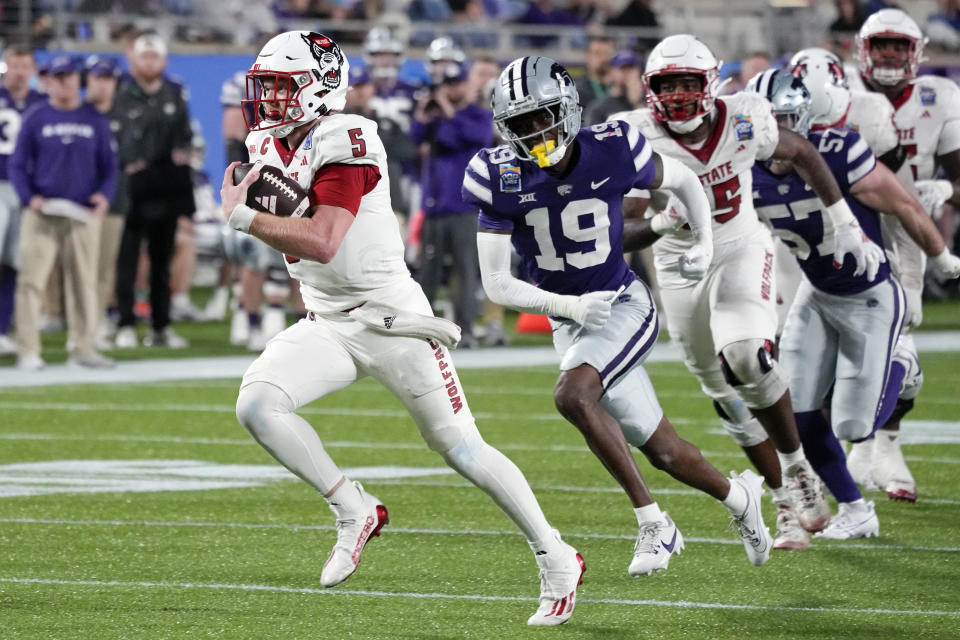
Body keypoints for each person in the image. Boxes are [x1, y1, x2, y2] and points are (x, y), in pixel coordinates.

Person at [220, 31, 584, 627]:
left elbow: (324, 237)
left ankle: (555, 554)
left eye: (282, 88)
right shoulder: (266, 140)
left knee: (460, 447)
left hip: (390, 319)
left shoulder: (348, 136)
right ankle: (352, 508)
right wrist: (262, 214)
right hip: (329, 321)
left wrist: (244, 216)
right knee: (258, 405)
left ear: (318, 89)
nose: (269, 101)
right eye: (268, 88)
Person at [466, 55, 772, 575]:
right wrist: (568, 308)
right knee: (666, 453)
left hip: (623, 303)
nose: (536, 131)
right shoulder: (494, 175)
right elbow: (497, 283)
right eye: (522, 123)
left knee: (573, 394)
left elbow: (682, 180)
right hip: (573, 317)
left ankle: (654, 523)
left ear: (567, 110)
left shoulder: (609, 149)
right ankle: (740, 498)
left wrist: (701, 240)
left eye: (544, 117)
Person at [612, 34, 885, 546]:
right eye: (666, 85)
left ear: (710, 83)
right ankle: (783, 501)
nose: (676, 95)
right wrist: (661, 226)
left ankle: (796, 467)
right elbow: (620, 230)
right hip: (677, 265)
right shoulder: (636, 135)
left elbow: (801, 150)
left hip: (739, 245)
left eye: (687, 83)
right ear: (650, 89)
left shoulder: (745, 117)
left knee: (747, 356)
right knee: (723, 394)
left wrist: (844, 222)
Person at [747, 69, 960, 539]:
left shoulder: (838, 152)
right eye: (766, 121)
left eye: (783, 120)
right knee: (797, 415)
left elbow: (903, 204)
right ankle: (857, 510)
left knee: (853, 424)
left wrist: (941, 257)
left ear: (801, 120)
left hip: (869, 295)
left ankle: (903, 363)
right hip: (815, 295)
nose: (774, 134)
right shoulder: (745, 168)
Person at [845, 8, 960, 501]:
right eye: (881, 46)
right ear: (861, 51)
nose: (889, 55)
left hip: (907, 229)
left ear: (916, 54)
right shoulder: (841, 90)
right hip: (844, 227)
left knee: (900, 339)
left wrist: (942, 193)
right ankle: (858, 442)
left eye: (898, 46)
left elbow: (959, 177)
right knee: (839, 339)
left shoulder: (941, 96)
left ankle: (884, 439)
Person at [8, 55, 117, 370]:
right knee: (31, 281)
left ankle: (83, 348)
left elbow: (110, 166)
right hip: (43, 213)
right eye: (57, 77)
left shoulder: (94, 118)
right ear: (48, 81)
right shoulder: (35, 116)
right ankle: (28, 350)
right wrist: (30, 199)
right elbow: (17, 164)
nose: (63, 81)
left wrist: (104, 197)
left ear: (77, 80)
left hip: (83, 214)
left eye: (68, 75)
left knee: (84, 282)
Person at [113, 33, 194, 349]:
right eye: (143, 56)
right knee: (127, 259)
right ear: (133, 59)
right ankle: (124, 323)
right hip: (130, 187)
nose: (149, 62)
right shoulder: (121, 93)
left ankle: (160, 326)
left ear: (164, 61)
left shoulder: (174, 96)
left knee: (162, 259)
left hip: (165, 187)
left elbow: (183, 141)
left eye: (154, 56)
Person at [412, 57, 494, 348]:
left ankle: (467, 330)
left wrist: (447, 110)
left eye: (455, 83)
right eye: (447, 84)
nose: (450, 89)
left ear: (465, 85)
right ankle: (421, 329)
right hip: (434, 207)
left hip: (465, 207)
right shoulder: (436, 119)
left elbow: (478, 137)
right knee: (428, 273)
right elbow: (415, 139)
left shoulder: (477, 114)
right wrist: (423, 114)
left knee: (465, 271)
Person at [0, 45, 45, 357]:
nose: (17, 72)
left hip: (25, 191)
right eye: (13, 65)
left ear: (32, 71)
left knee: (15, 263)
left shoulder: (40, 104)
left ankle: (3, 329)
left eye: (23, 66)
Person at [82, 55, 125, 348]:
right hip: (79, 201)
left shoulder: (126, 114)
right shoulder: (78, 113)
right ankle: (80, 325)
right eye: (98, 77)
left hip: (114, 201)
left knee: (103, 268)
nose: (103, 84)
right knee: (82, 268)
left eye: (108, 78)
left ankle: (94, 325)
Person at [584, 50, 644, 126]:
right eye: (622, 68)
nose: (627, 73)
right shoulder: (599, 108)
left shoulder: (647, 103)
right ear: (611, 72)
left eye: (631, 69)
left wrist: (637, 102)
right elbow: (591, 136)